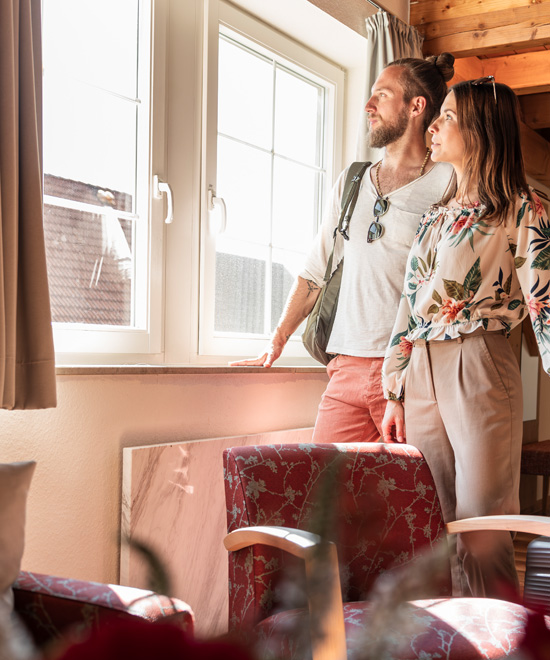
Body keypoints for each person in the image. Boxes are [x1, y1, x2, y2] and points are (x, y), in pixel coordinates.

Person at [381, 76, 550, 598]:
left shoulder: (524, 208)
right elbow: (409, 306)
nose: (433, 126)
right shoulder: (435, 218)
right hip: (424, 371)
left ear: (480, 128)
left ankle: (501, 648)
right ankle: (444, 645)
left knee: (482, 526)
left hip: (481, 363)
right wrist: (395, 389)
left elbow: (545, 306)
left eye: (448, 116)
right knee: (433, 524)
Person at [232, 54, 455, 443]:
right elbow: (316, 269)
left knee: (409, 500)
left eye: (381, 96)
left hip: (412, 372)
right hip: (345, 369)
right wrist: (278, 338)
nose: (368, 107)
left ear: (416, 106)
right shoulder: (353, 180)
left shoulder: (449, 181)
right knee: (324, 497)